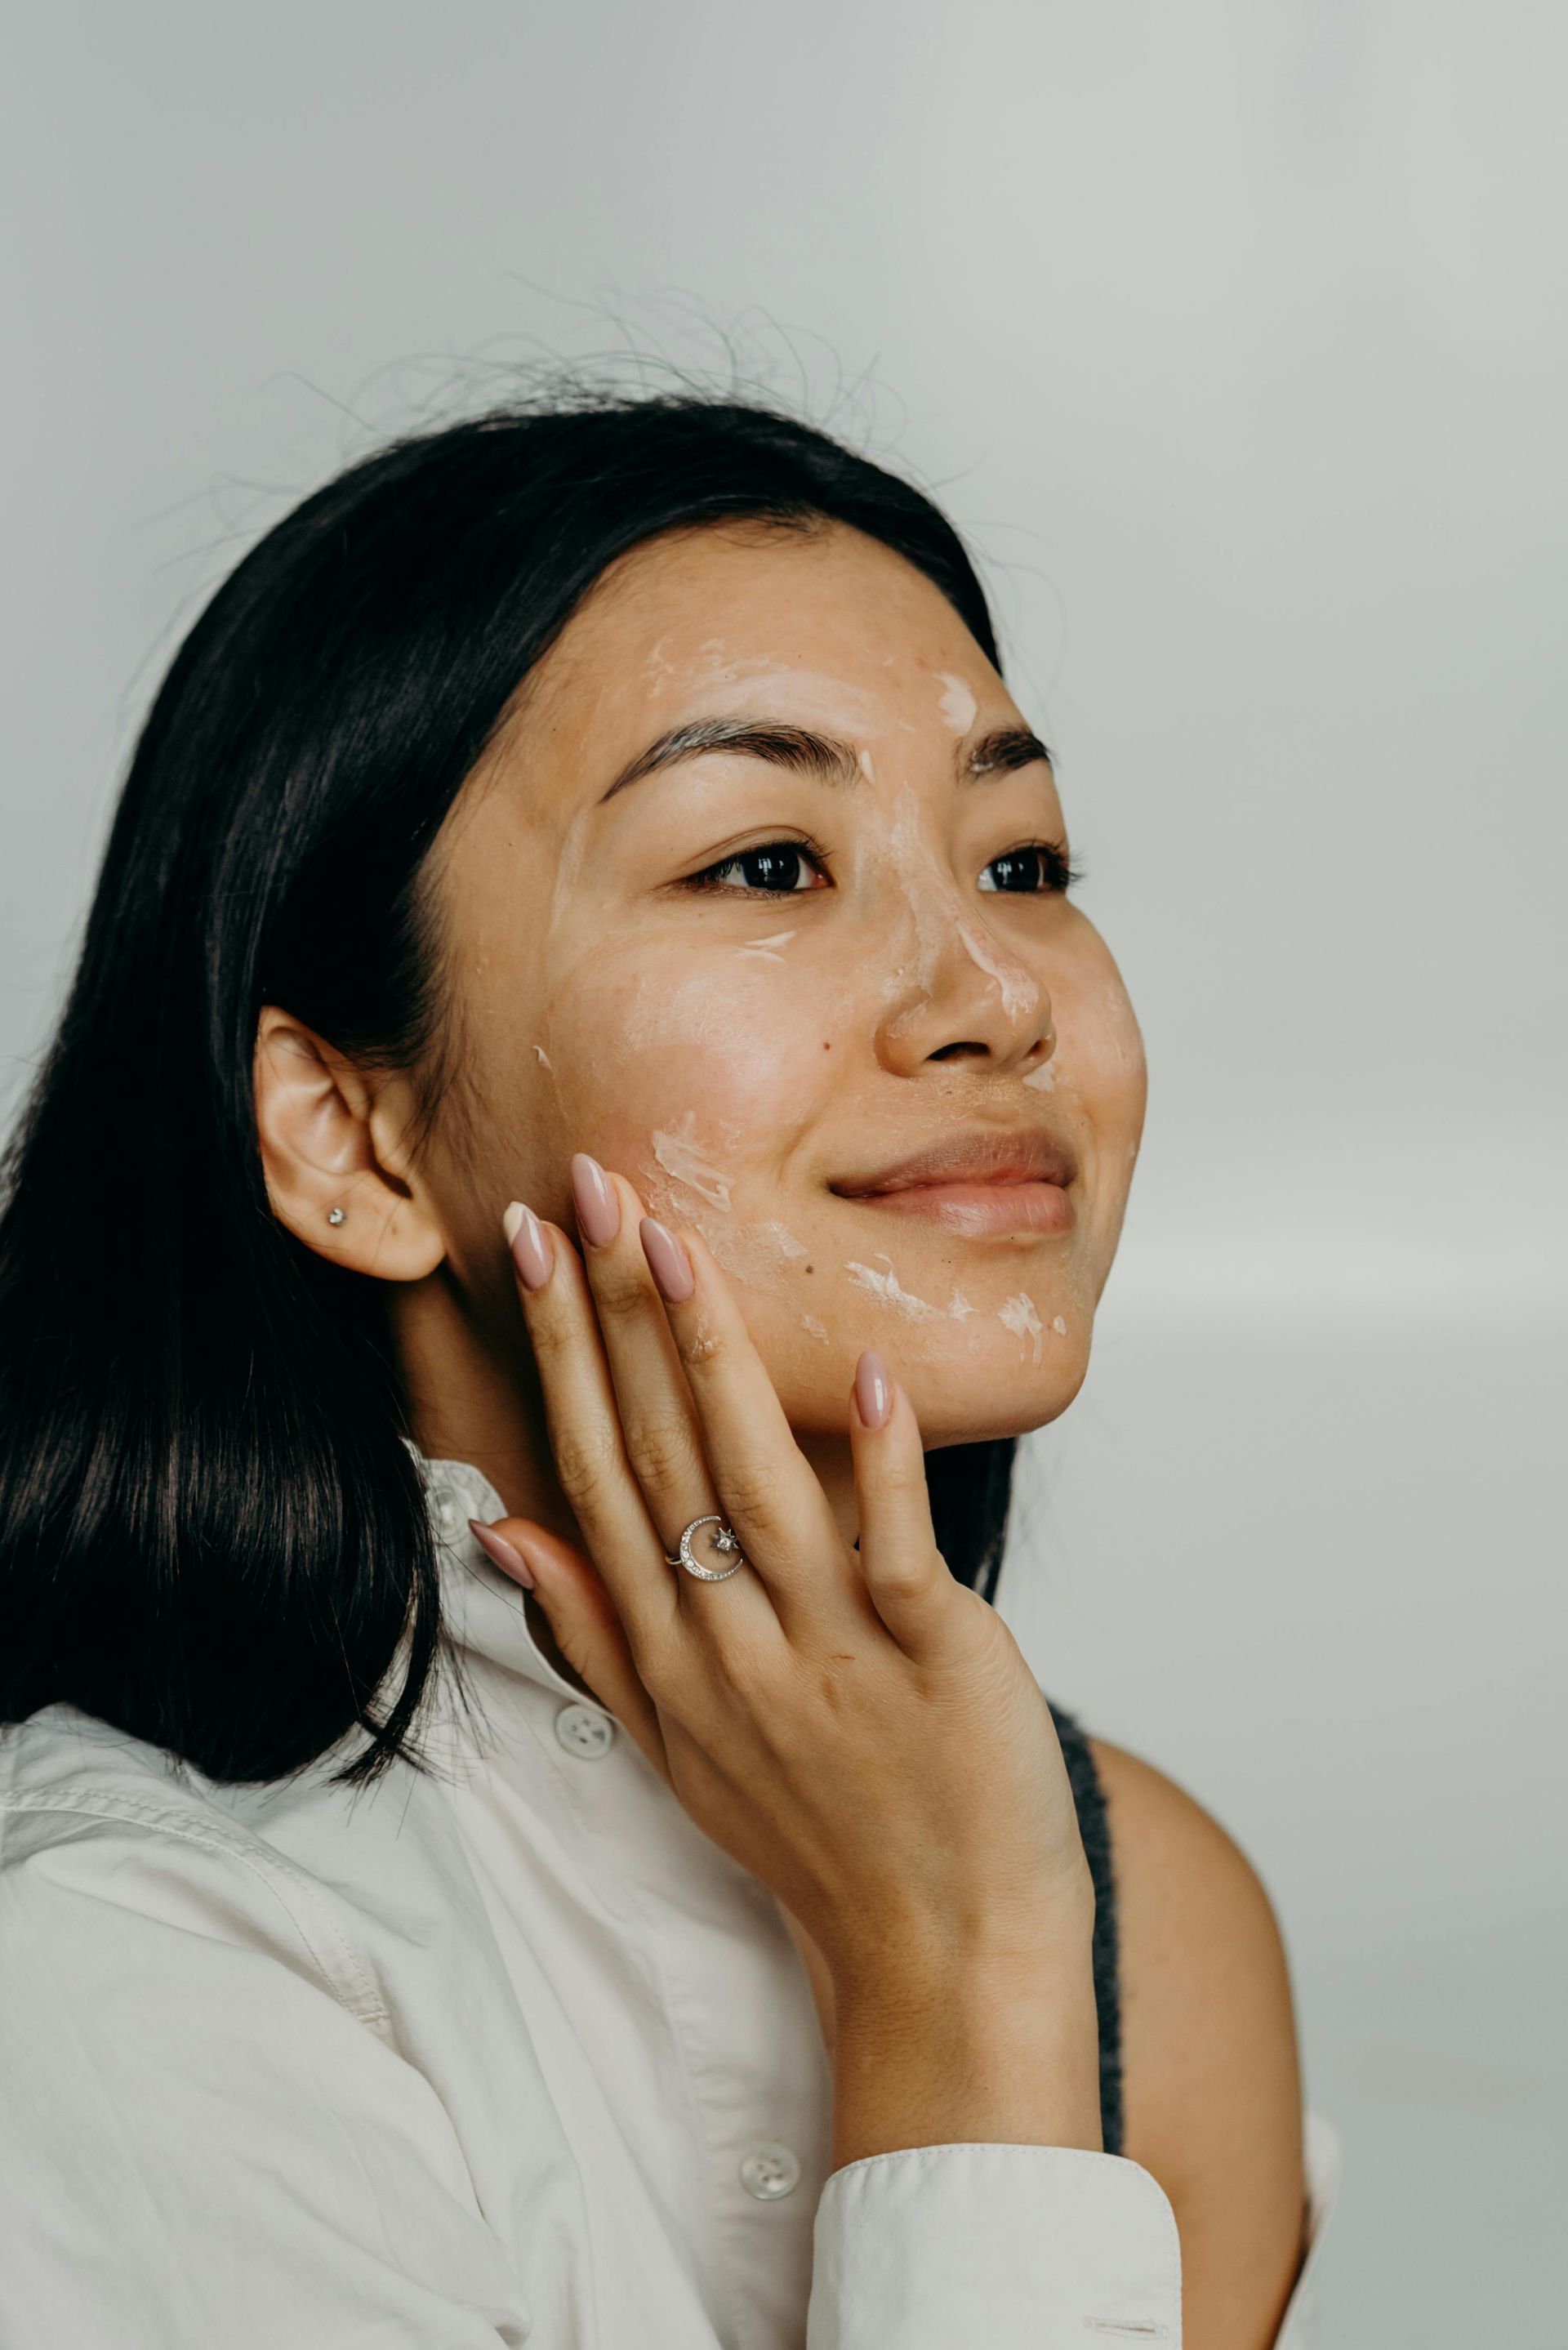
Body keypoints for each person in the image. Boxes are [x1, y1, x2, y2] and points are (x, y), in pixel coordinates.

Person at [0, 391, 1334, 2347]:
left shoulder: (1143, 1906)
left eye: (1025, 860)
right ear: (348, 1138)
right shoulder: (111, 1958)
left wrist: (998, 1948)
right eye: (769, 863)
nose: (992, 995)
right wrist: (957, 2003)